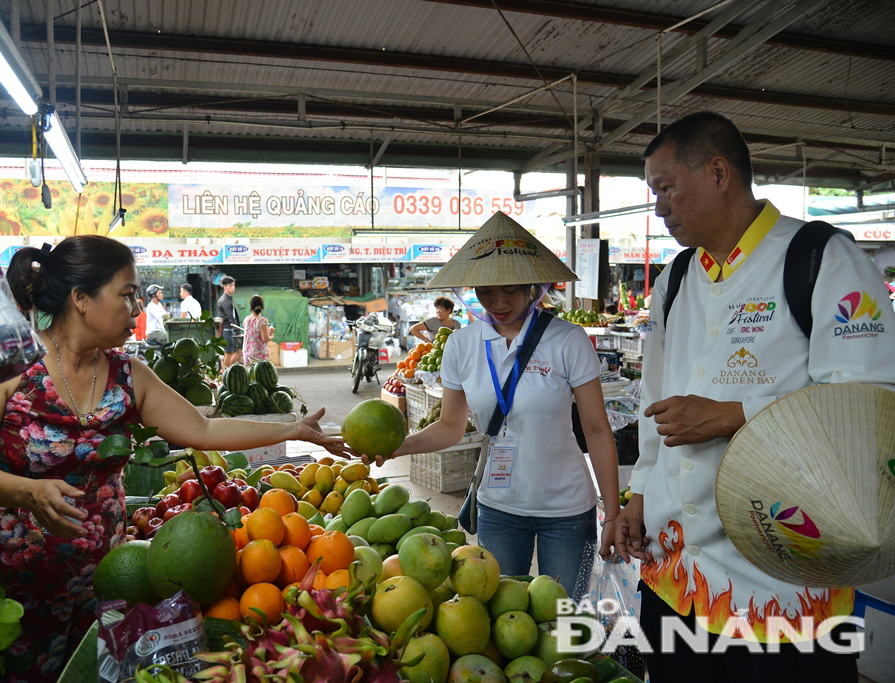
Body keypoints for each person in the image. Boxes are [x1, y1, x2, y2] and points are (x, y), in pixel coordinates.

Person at [0, 236, 347, 683]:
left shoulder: (128, 375)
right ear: (81, 299)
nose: (137, 308)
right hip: (8, 589)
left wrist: (291, 429)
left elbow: (203, 430)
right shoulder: (4, 362)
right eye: (127, 294)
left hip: (107, 583)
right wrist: (28, 492)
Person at [615, 111, 895, 682]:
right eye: (654, 194)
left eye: (666, 189)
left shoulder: (821, 259)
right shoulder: (675, 281)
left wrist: (734, 417)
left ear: (719, 173)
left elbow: (872, 403)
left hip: (779, 582)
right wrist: (638, 494)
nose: (660, 208)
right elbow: (656, 403)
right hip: (677, 578)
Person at [356, 212, 620, 600]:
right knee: (500, 621)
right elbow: (450, 425)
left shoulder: (568, 340)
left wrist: (612, 512)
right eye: (485, 291)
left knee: (565, 622)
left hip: (566, 508)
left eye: (510, 290)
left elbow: (596, 430)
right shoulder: (461, 345)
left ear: (533, 286)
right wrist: (398, 445)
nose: (497, 303)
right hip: (498, 507)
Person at [242, 295, 275, 366]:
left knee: (250, 375)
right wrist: (271, 334)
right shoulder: (262, 321)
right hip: (258, 355)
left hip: (247, 353)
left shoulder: (246, 319)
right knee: (260, 375)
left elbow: (253, 333)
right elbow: (265, 339)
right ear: (262, 306)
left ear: (250, 306)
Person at [218, 276, 241, 367]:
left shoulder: (228, 298)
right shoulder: (224, 300)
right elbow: (230, 317)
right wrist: (238, 331)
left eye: (234, 286)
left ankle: (226, 369)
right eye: (230, 286)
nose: (233, 288)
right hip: (228, 330)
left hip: (231, 329)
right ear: (224, 286)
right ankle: (225, 371)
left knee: (239, 352)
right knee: (229, 352)